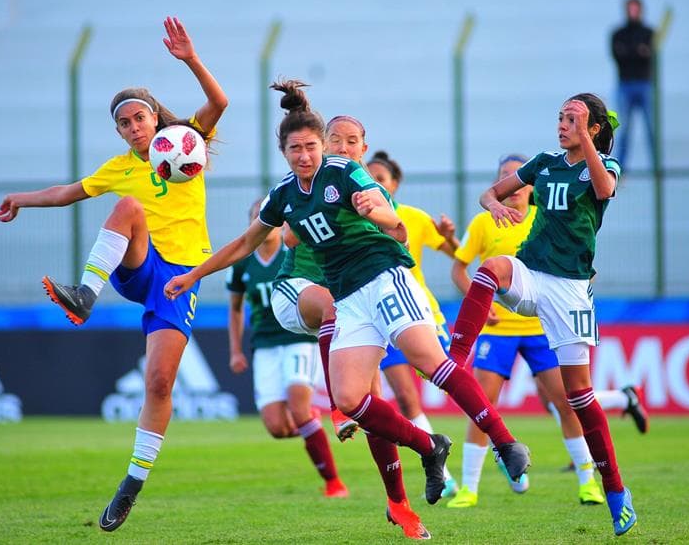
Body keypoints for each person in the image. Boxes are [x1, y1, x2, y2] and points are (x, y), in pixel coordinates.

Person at [164, 79, 530, 540]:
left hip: (383, 275)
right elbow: (245, 243)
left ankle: (505, 443)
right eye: (296, 148)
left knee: (428, 362)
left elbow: (387, 215)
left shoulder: (343, 172)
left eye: (312, 146)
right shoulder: (283, 196)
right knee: (350, 401)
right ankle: (429, 447)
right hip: (347, 297)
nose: (305, 155)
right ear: (284, 151)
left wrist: (376, 212)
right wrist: (194, 275)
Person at [0, 17, 228, 532]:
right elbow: (67, 193)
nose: (133, 128)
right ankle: (85, 293)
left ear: (153, 117)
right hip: (136, 266)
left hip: (180, 277)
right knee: (126, 205)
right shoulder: (120, 167)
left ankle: (130, 486)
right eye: (123, 124)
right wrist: (22, 201)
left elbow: (220, 104)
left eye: (138, 118)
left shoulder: (184, 142)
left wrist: (190, 59)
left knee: (160, 382)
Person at [448, 93, 638, 536]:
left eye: (573, 119)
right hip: (532, 273)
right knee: (490, 270)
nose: (562, 125)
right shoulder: (544, 162)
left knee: (579, 397)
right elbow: (489, 193)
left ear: (593, 128)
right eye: (560, 117)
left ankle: (614, 489)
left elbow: (605, 190)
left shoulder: (604, 166)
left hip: (570, 290)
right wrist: (493, 203)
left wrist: (590, 137)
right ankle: (455, 358)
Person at [270, 115, 429, 538]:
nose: (339, 147)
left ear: (361, 151)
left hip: (357, 299)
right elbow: (287, 236)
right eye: (333, 140)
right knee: (331, 311)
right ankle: (339, 411)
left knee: (373, 404)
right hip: (298, 290)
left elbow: (402, 236)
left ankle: (399, 503)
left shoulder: (363, 193)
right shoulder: (317, 185)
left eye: (349, 142)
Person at [446, 154, 604, 509]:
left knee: (566, 402)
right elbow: (459, 270)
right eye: (504, 176)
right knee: (481, 406)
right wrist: (479, 305)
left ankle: (587, 482)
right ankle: (470, 488)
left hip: (542, 328)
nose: (511, 184)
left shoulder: (545, 218)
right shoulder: (484, 223)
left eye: (516, 177)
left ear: (531, 187)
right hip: (498, 331)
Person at [227, 199, 347, 498]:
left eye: (269, 217)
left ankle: (334, 483)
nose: (264, 222)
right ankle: (313, 426)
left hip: (297, 339)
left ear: (280, 223)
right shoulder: (243, 263)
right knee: (277, 428)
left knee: (298, 405)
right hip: (265, 345)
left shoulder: (292, 254)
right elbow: (235, 309)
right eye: (257, 217)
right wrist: (235, 350)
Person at [366, 149, 459, 498]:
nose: (374, 183)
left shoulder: (412, 219)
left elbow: (457, 253)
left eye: (381, 178)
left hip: (420, 314)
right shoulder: (353, 218)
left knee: (454, 383)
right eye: (369, 177)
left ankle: (501, 446)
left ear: (395, 184)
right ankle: (445, 473)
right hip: (380, 316)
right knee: (406, 399)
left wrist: (449, 235)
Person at [610, 0, 655, 171]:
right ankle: (620, 169)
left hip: (645, 85)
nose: (633, 12)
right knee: (624, 131)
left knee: (651, 130)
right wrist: (638, 52)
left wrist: (630, 52)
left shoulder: (649, 33)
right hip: (625, 86)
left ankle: (656, 168)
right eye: (631, 9)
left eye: (636, 9)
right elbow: (618, 56)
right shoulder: (618, 34)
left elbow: (650, 56)